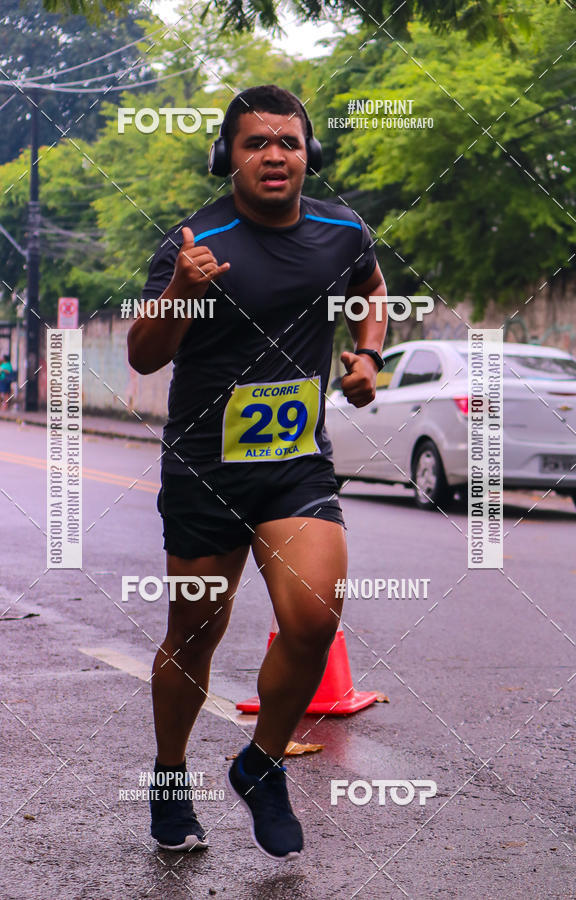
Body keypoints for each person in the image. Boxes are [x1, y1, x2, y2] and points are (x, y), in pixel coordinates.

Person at [128, 84, 388, 859]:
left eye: (289, 142)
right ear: (228, 157)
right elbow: (144, 355)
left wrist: (367, 354)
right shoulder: (191, 243)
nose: (274, 155)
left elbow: (372, 291)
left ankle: (261, 764)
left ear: (308, 154)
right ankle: (170, 779)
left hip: (295, 467)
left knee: (314, 618)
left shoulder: (343, 234)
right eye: (254, 143)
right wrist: (181, 291)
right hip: (205, 470)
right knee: (195, 632)